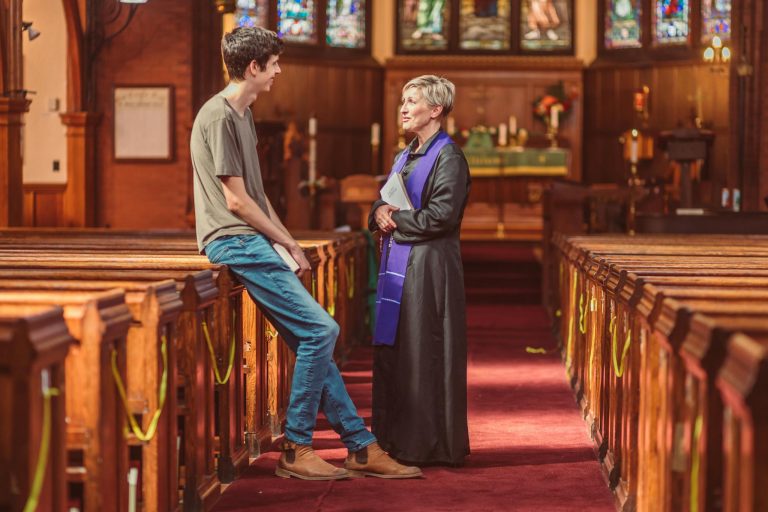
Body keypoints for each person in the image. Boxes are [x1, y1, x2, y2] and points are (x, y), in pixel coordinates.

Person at [191, 26, 421, 481]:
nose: (279, 71)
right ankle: (297, 446)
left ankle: (359, 446)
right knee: (322, 331)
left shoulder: (242, 114)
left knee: (309, 336)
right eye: (273, 64)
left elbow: (256, 193)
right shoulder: (218, 115)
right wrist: (290, 245)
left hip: (251, 238)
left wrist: (283, 240)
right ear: (253, 68)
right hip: (232, 238)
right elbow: (235, 202)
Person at [369, 75, 471, 466]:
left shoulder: (448, 157)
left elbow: (442, 216)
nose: (404, 107)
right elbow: (386, 197)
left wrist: (393, 219)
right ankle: (394, 439)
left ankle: (427, 443)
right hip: (402, 262)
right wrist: (378, 211)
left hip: (430, 268)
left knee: (423, 349)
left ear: (436, 110)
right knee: (400, 350)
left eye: (413, 101)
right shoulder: (406, 154)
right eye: (403, 101)